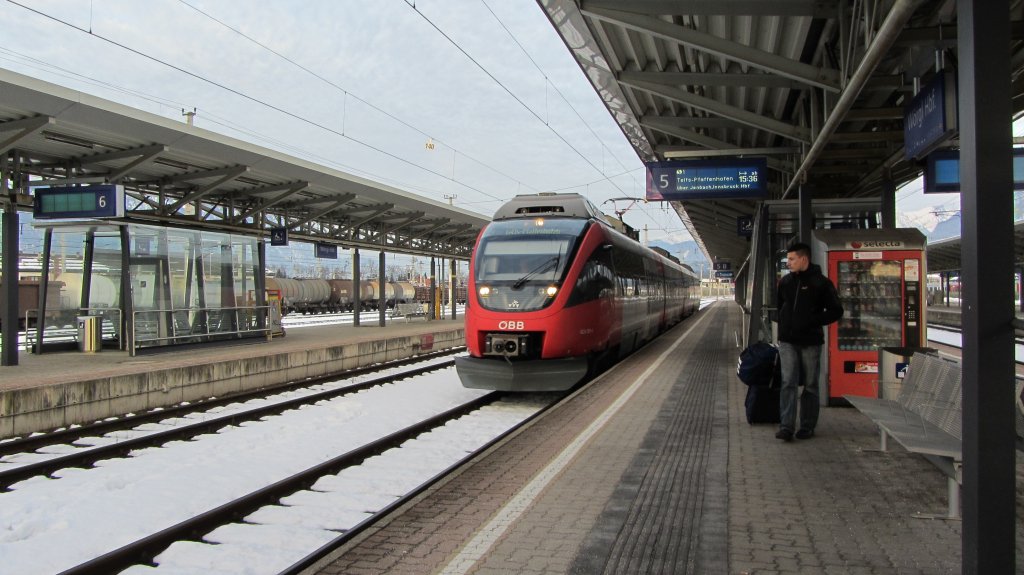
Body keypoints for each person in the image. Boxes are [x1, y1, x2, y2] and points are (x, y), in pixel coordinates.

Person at [775, 242, 844, 442]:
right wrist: (784, 325)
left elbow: (836, 310)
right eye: (788, 259)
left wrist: (813, 321)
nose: (788, 263)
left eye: (792, 259)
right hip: (787, 341)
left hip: (811, 341)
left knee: (811, 384)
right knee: (788, 382)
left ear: (803, 259)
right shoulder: (785, 282)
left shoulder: (821, 283)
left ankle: (807, 426)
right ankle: (786, 426)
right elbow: (780, 306)